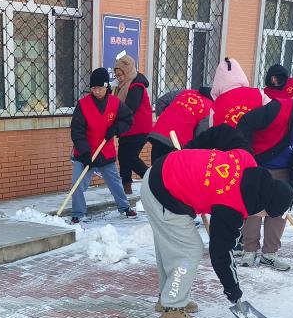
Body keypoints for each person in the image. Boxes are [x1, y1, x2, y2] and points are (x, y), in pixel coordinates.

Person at [141, 147, 293, 318]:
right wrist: (233, 291)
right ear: (264, 206)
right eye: (266, 214)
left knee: (172, 247)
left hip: (165, 170)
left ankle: (169, 297)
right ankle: (172, 308)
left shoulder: (247, 161)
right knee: (188, 251)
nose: (262, 217)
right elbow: (220, 254)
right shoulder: (231, 206)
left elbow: (218, 138)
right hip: (162, 191)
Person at [190, 89, 293, 272]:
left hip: (286, 171)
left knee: (280, 210)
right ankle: (249, 250)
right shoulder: (279, 110)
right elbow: (246, 123)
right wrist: (246, 158)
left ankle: (270, 254)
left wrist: (291, 195)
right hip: (257, 163)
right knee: (252, 207)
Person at [69, 67, 135, 223]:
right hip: (85, 153)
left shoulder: (115, 103)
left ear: (107, 86)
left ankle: (124, 207)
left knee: (115, 183)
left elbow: (128, 119)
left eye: (99, 88)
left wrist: (116, 128)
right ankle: (77, 212)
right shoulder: (83, 105)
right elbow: (77, 132)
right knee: (77, 184)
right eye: (93, 88)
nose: (96, 91)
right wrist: (85, 152)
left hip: (105, 151)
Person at [112, 55, 153, 194]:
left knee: (130, 158)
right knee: (123, 156)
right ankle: (126, 186)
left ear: (127, 71)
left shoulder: (136, 86)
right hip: (128, 129)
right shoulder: (122, 86)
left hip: (139, 129)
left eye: (121, 75)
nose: (119, 78)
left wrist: (115, 123)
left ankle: (152, 180)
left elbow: (130, 108)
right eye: (117, 75)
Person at [148, 87, 213, 163]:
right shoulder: (210, 107)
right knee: (169, 168)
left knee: (155, 166)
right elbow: (201, 133)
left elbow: (161, 101)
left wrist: (163, 118)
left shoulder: (186, 92)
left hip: (158, 134)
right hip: (177, 143)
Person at [209, 56, 270, 129]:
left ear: (218, 81)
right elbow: (275, 113)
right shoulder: (258, 94)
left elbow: (212, 132)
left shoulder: (216, 106)